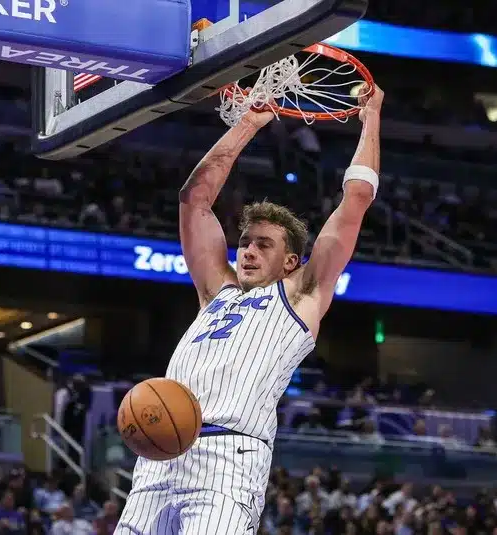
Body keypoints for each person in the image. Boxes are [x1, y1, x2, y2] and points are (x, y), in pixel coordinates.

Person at [115, 87, 384, 534]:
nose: (249, 251)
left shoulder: (302, 295)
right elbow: (194, 201)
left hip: (229, 462)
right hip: (157, 459)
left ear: (291, 261)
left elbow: (355, 200)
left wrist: (370, 115)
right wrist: (248, 123)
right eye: (245, 242)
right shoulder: (215, 291)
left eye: (264, 244)